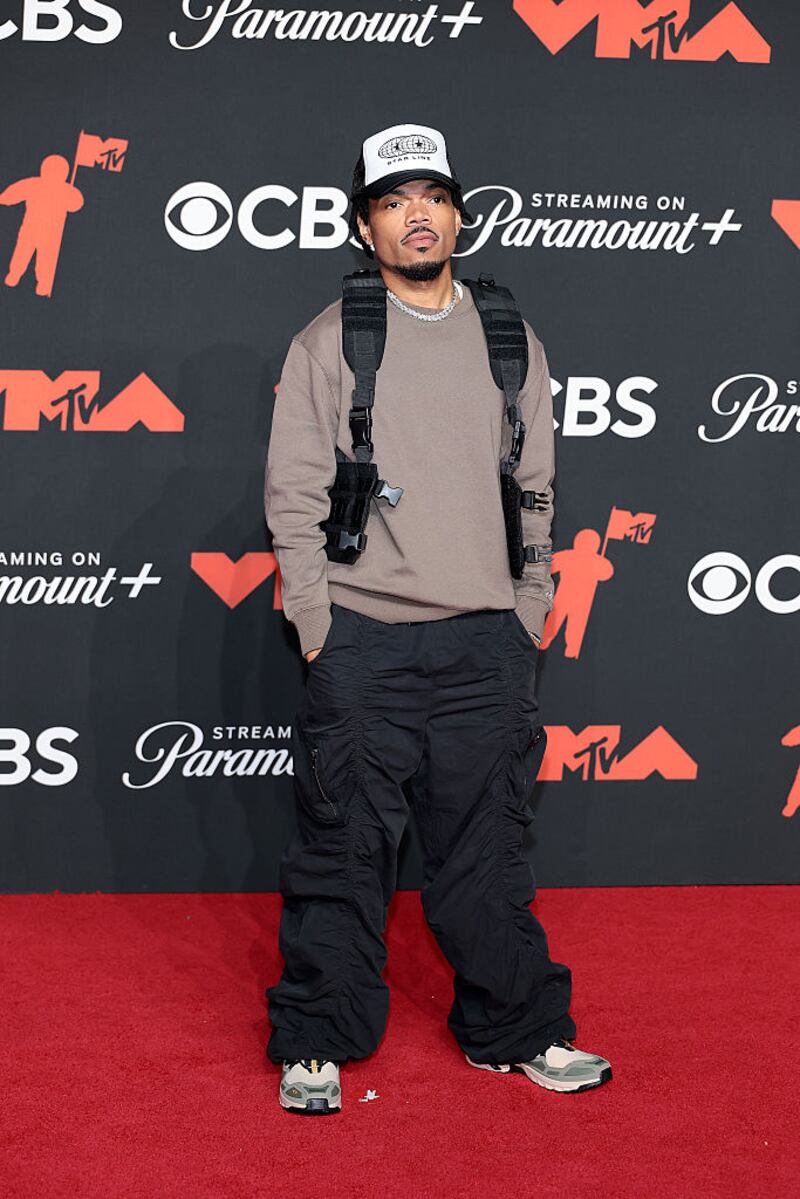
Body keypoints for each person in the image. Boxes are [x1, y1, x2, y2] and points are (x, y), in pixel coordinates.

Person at [263, 122, 612, 1114]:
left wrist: (529, 606)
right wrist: (318, 623)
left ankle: (516, 1028)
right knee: (341, 850)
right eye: (392, 200)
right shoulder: (331, 339)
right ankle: (319, 1036)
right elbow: (293, 494)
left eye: (433, 197)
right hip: (362, 639)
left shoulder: (509, 335)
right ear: (363, 226)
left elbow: (535, 483)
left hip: (486, 643)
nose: (416, 216)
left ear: (458, 216)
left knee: (488, 850)